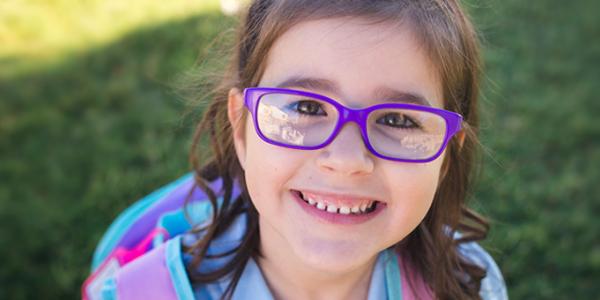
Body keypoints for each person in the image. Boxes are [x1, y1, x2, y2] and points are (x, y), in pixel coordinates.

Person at [83, 0, 508, 299]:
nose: (346, 161)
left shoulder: (468, 284)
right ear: (242, 128)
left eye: (397, 119)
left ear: (446, 154)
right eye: (307, 107)